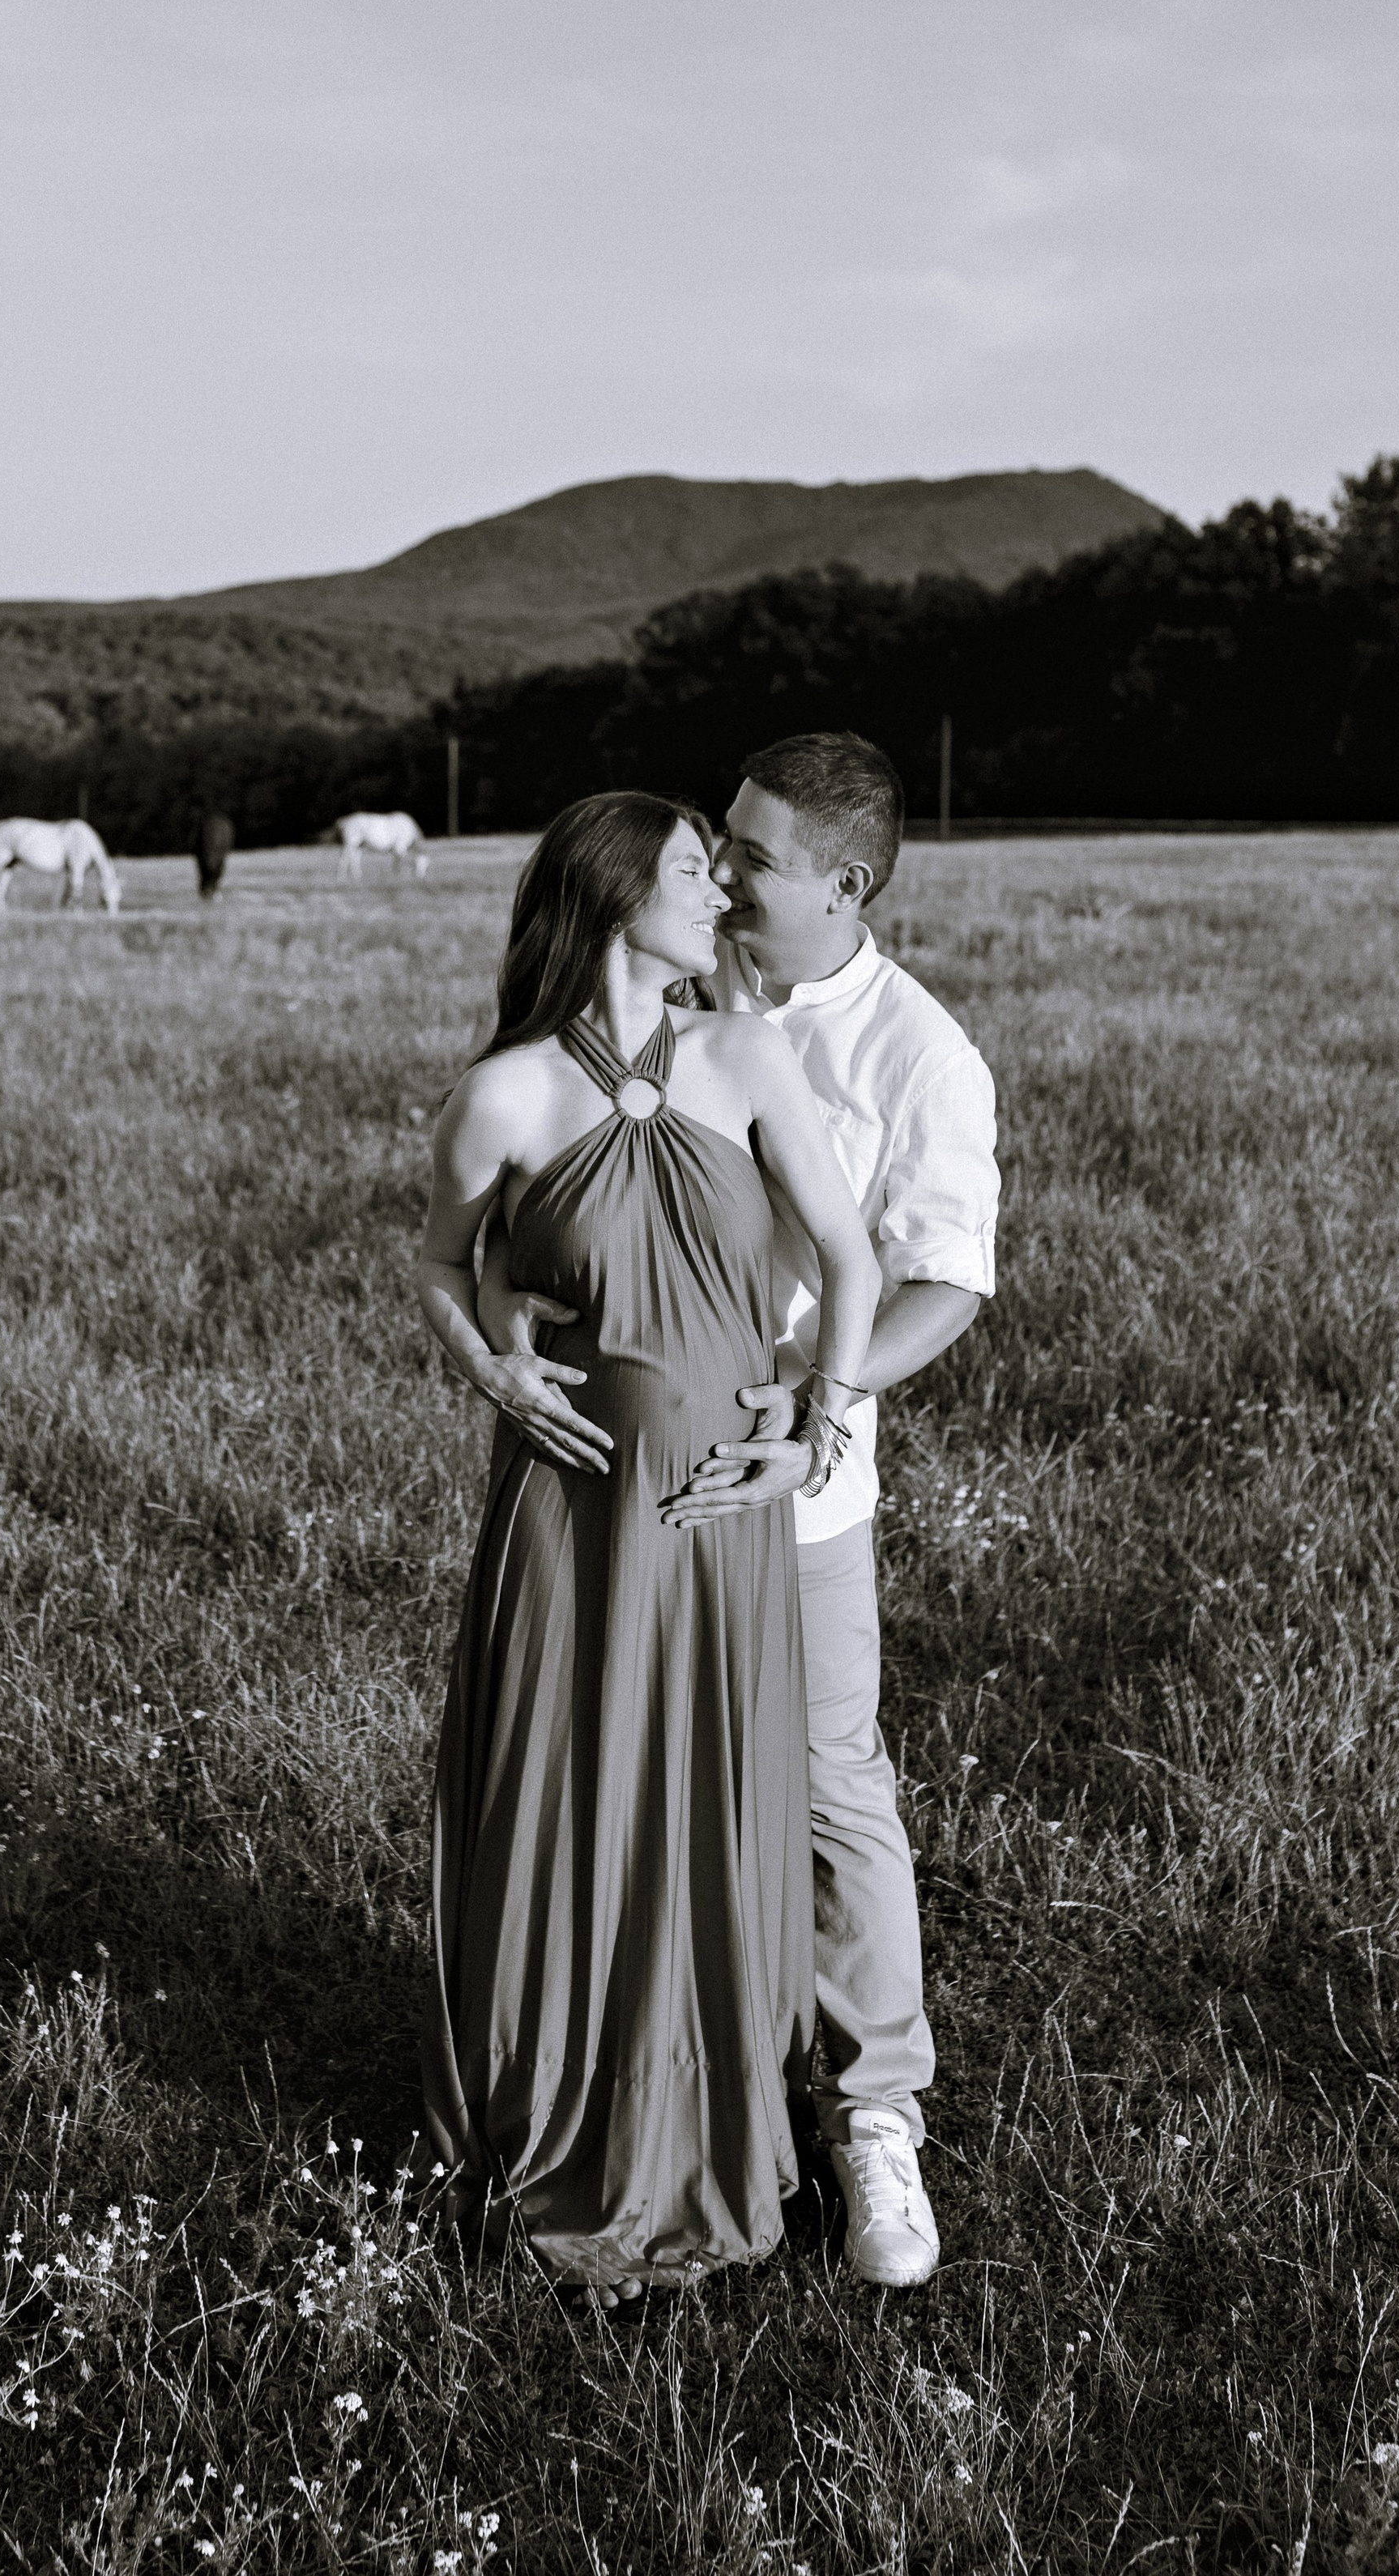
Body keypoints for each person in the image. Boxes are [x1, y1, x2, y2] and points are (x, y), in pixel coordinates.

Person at [480, 734, 997, 2289]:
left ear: (846, 885)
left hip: (799, 1486)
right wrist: (507, 1311)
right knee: (633, 1770)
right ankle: (651, 2071)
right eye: (716, 848)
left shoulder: (920, 1055)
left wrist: (820, 1406)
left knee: (831, 1787)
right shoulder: (679, 991)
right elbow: (541, 1186)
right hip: (630, 1483)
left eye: (751, 860)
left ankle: (875, 2113)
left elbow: (941, 1282)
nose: (721, 875)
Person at [415, 791, 881, 2302]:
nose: (721, 894)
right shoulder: (502, 1095)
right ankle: (552, 2125)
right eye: (693, 870)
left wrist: (818, 1423)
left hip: (722, 1520)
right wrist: (493, 1366)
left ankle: (701, 2129)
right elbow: (440, 1261)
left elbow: (850, 1254)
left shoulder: (747, 1058)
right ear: (617, 895)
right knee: (563, 1795)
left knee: (707, 1802)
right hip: (568, 1509)